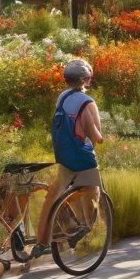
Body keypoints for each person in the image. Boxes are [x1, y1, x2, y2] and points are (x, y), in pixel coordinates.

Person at [32, 57, 103, 259]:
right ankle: (81, 228)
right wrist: (100, 136)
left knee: (54, 195)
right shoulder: (87, 103)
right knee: (92, 192)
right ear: (86, 80)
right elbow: (96, 137)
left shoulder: (62, 98)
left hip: (64, 156)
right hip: (83, 158)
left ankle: (42, 241)